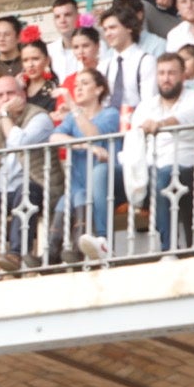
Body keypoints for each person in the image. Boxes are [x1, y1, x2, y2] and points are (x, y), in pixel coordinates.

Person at [132, 52, 194, 254]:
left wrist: (160, 125)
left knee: (163, 175)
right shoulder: (146, 106)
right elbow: (134, 138)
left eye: (171, 73)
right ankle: (102, 244)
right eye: (161, 73)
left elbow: (187, 117)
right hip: (148, 167)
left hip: (185, 165)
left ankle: (168, 248)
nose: (166, 78)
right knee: (103, 175)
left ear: (183, 75)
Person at [0, 73, 58, 273]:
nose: (5, 99)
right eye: (0, 96)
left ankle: (15, 254)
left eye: (10, 93)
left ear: (22, 95)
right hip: (3, 193)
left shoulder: (39, 117)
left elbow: (19, 143)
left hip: (39, 188)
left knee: (25, 191)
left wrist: (6, 115)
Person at [49, 69, 120, 263]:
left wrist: (71, 104)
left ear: (98, 90)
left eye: (85, 83)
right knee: (66, 199)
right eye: (76, 84)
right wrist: (84, 146)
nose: (78, 88)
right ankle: (53, 252)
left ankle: (90, 245)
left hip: (103, 181)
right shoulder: (72, 118)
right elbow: (55, 137)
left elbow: (93, 134)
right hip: (78, 183)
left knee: (82, 191)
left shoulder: (110, 113)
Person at [99, 3, 157, 108]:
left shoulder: (145, 61)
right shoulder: (104, 65)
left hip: (137, 119)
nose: (108, 34)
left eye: (112, 28)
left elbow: (149, 102)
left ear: (129, 28)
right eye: (105, 29)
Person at [46, 0, 90, 83]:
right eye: (57, 17)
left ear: (78, 16)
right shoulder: (49, 50)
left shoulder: (93, 46)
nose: (62, 20)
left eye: (67, 15)